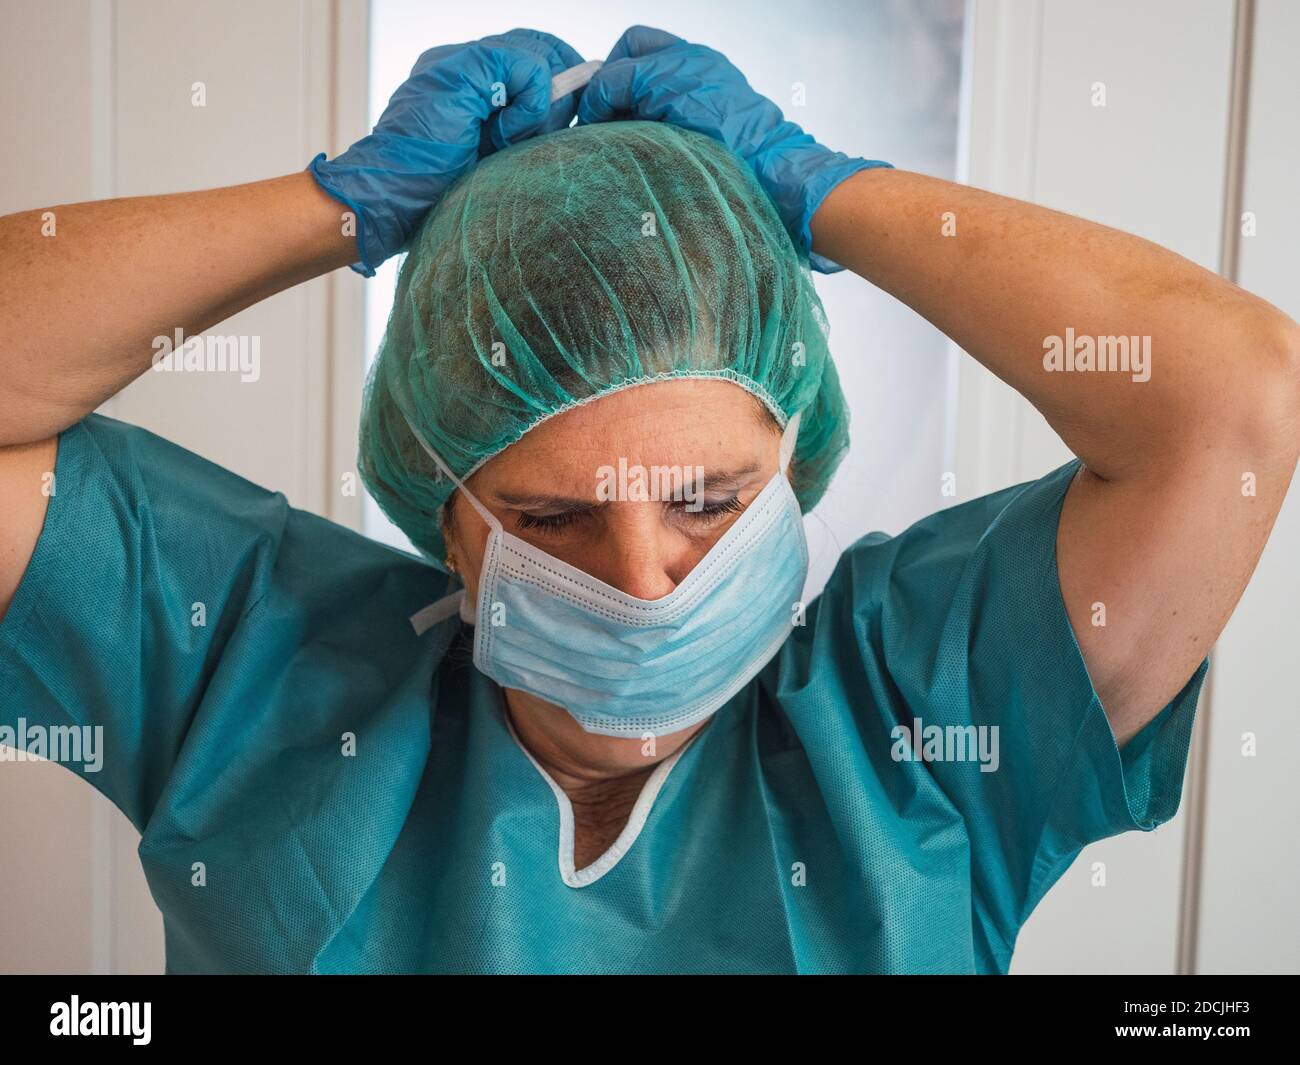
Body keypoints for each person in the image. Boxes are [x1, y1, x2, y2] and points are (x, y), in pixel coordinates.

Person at [0, 25, 1296, 975]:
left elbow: (1232, 398)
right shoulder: (254, 667)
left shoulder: (918, 721)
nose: (639, 580)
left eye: (709, 499)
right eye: (550, 520)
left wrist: (822, 190)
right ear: (439, 512)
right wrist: (334, 209)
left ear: (797, 467)